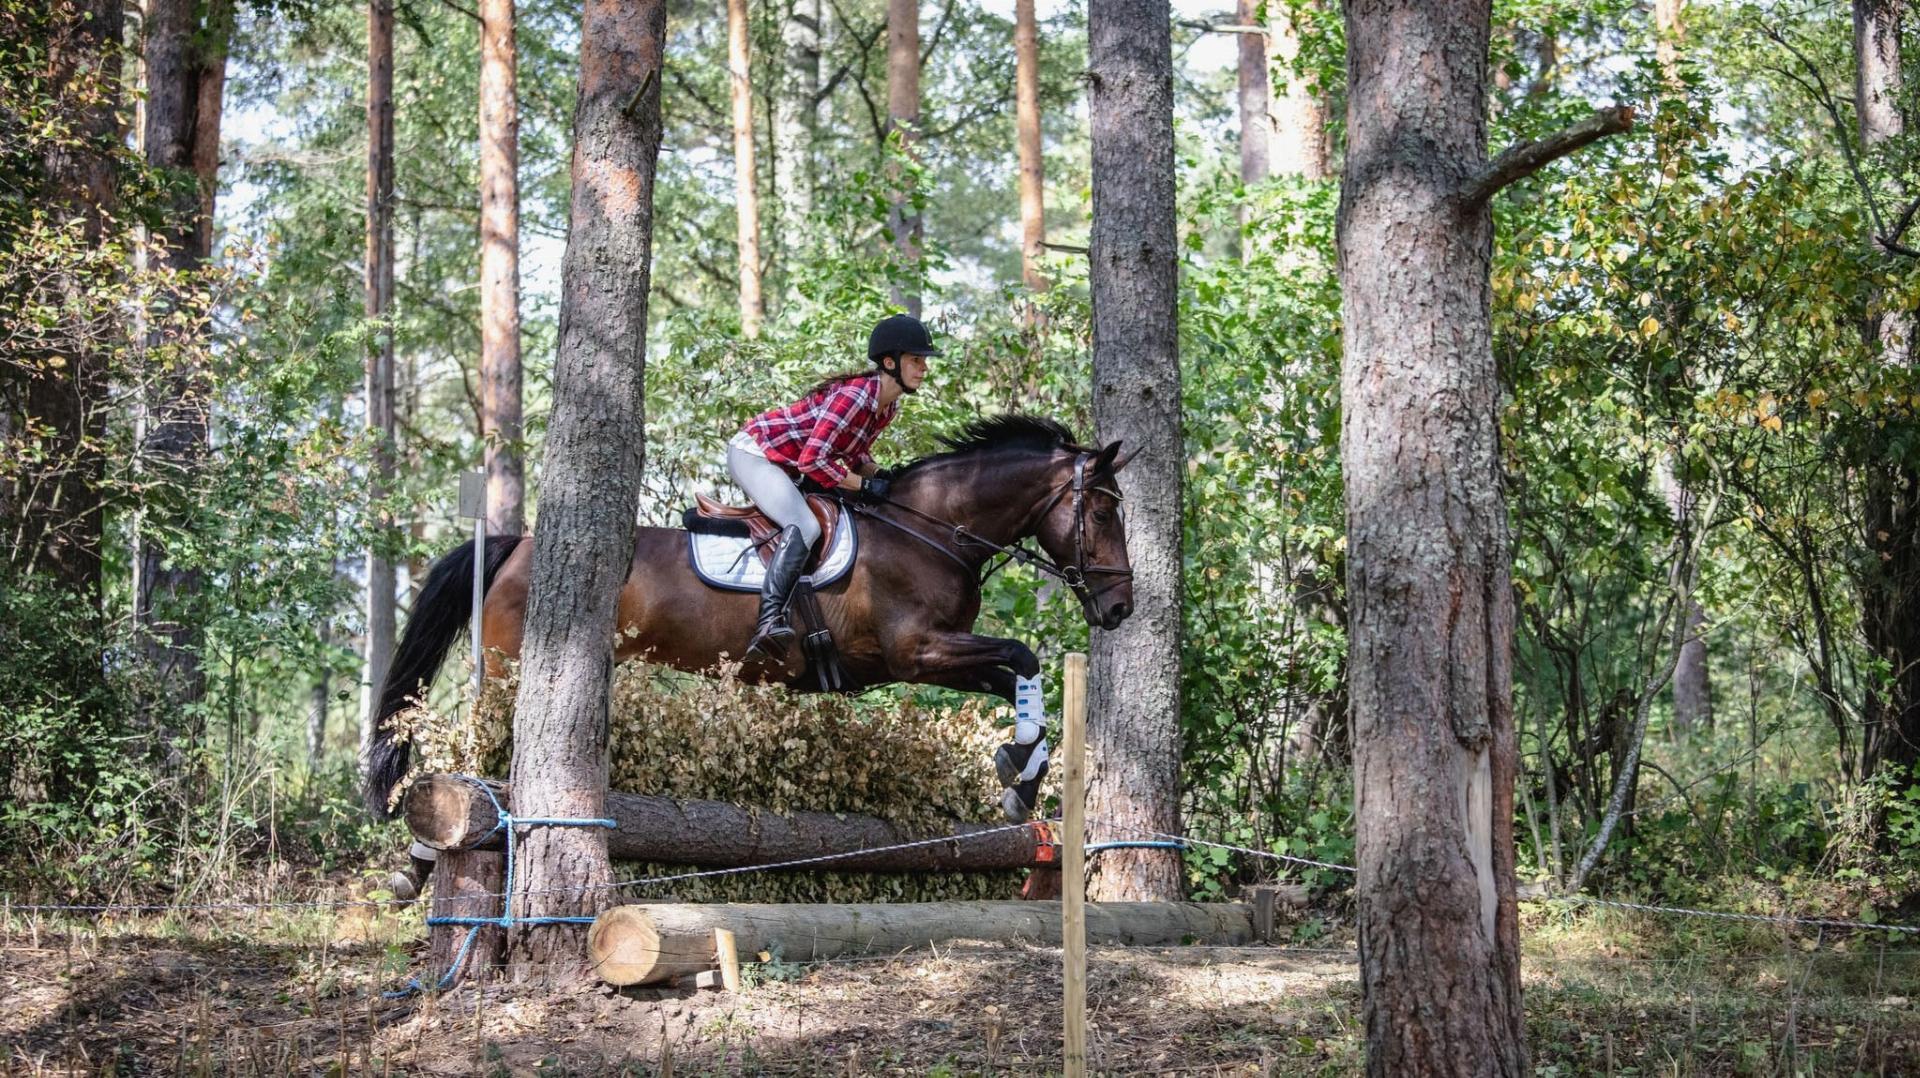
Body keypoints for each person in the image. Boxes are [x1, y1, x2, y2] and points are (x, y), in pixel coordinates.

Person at [729, 313, 938, 659]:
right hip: (755, 453)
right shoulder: (856, 396)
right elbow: (813, 460)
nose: (923, 368)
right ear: (890, 362)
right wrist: (865, 486)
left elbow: (855, 454)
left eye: (923, 361)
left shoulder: (887, 408)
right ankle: (767, 622)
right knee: (805, 526)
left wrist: (884, 475)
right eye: (916, 360)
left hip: (786, 463)